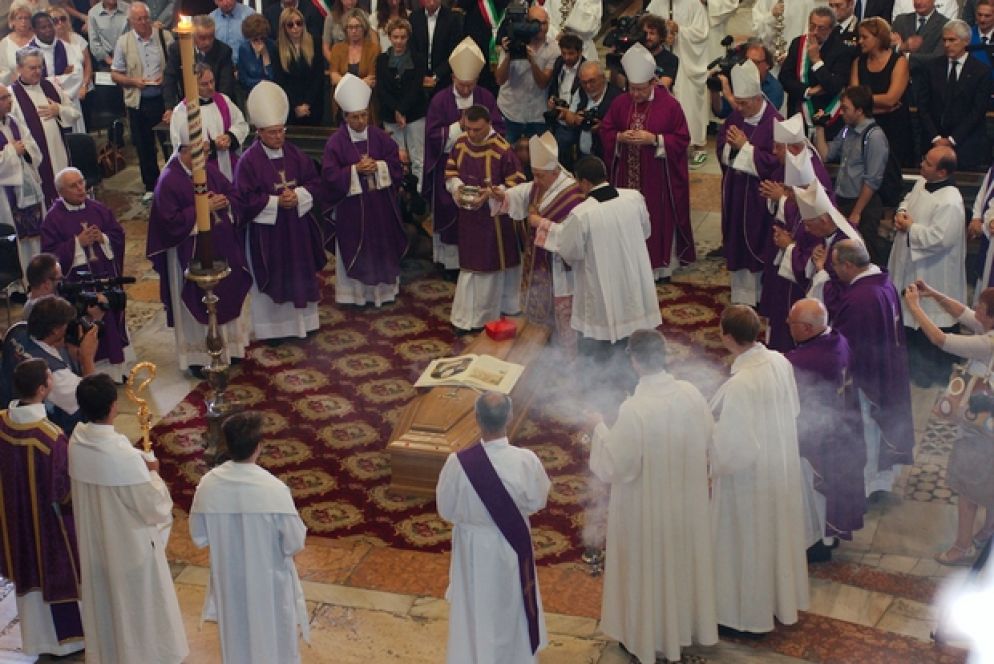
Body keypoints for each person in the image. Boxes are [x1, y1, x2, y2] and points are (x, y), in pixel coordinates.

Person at [587, 329, 718, 663]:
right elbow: (707, 437)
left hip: (647, 510)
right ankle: (679, 630)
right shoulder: (690, 394)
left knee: (647, 570)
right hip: (685, 504)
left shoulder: (635, 410)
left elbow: (617, 466)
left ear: (633, 361)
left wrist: (599, 428)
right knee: (678, 566)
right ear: (664, 356)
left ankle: (644, 639)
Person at [68, 373, 188, 663]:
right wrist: (153, 472)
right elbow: (154, 508)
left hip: (96, 546)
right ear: (113, 406)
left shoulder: (76, 442)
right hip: (129, 551)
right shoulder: (124, 457)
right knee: (137, 614)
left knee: (108, 610)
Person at [710, 304, 810, 634]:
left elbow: (734, 450)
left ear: (726, 337)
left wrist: (710, 457)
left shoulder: (741, 385)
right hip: (778, 463)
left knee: (746, 541)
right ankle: (778, 601)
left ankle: (743, 615)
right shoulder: (780, 361)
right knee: (774, 536)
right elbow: (794, 409)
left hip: (749, 479)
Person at [436, 391, 552, 663]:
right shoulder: (526, 461)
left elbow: (446, 509)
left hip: (472, 549)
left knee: (475, 609)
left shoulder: (457, 464)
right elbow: (538, 500)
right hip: (511, 546)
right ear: (510, 417)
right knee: (511, 607)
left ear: (476, 418)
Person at [190, 411, 309, 663]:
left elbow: (199, 535)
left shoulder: (208, 485)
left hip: (229, 578)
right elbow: (295, 542)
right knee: (274, 638)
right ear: (258, 447)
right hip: (269, 581)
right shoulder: (274, 489)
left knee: (236, 638)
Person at [147, 124, 252, 374]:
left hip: (222, 249)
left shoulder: (207, 170)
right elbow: (169, 223)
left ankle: (231, 349)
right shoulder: (169, 180)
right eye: (201, 152)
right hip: (188, 255)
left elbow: (232, 192)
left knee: (228, 292)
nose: (206, 157)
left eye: (206, 151)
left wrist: (224, 202)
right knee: (196, 303)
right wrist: (203, 209)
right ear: (183, 151)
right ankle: (198, 358)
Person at [529, 155, 662, 349]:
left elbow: (569, 250)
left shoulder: (583, 213)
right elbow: (645, 231)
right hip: (633, 275)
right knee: (635, 313)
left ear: (583, 182)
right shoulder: (634, 197)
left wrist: (540, 224)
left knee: (603, 337)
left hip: (602, 284)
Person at [904, 282, 994, 565]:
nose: (975, 308)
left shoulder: (987, 343)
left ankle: (962, 546)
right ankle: (987, 531)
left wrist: (916, 307)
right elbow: (963, 312)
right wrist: (934, 293)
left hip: (982, 428)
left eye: (981, 306)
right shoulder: (988, 330)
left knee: (967, 489)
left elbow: (942, 340)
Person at [0, 358, 84, 658]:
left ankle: (36, 640)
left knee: (27, 572)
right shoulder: (49, 437)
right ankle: (69, 642)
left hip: (15, 521)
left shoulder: (2, 422)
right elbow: (64, 493)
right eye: (50, 377)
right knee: (57, 572)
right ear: (42, 389)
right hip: (49, 527)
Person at [818, 239, 915, 496]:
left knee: (866, 428)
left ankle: (867, 484)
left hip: (867, 379)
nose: (834, 271)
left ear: (849, 265)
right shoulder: (883, 282)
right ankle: (880, 481)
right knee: (877, 426)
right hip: (886, 368)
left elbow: (846, 346)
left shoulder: (861, 298)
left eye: (835, 265)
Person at [234, 81, 327, 341]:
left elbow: (315, 182)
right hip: (268, 236)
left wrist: (297, 196)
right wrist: (276, 202)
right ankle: (272, 330)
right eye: (272, 133)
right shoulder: (248, 162)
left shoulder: (295, 155)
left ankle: (303, 324)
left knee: (299, 272)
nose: (278, 137)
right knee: (273, 275)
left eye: (281, 131)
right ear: (259, 131)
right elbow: (242, 200)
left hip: (296, 231)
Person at [601, 43, 694, 283]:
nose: (635, 94)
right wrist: (620, 138)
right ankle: (628, 264)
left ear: (653, 83)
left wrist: (655, 140)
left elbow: (683, 138)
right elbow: (606, 129)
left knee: (656, 218)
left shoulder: (670, 105)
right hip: (626, 176)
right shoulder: (621, 102)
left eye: (640, 89)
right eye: (631, 88)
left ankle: (659, 268)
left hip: (657, 178)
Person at [489, 132, 585, 353]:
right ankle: (543, 354)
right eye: (534, 174)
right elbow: (523, 193)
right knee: (539, 314)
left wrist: (539, 223)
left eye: (540, 176)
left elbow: (571, 237)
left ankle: (567, 358)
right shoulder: (541, 184)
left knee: (563, 314)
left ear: (555, 172)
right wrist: (502, 195)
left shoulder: (574, 195)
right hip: (539, 261)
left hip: (561, 268)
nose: (536, 181)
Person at [785, 299, 867, 552]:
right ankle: (830, 537)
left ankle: (818, 544)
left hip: (818, 440)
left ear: (808, 329)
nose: (788, 326)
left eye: (792, 323)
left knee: (814, 492)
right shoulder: (837, 340)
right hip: (843, 427)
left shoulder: (805, 360)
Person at [323, 73, 407, 307]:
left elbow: (396, 167)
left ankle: (383, 293)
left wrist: (378, 167)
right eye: (355, 117)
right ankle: (355, 296)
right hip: (352, 211)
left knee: (381, 245)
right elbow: (329, 177)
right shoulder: (335, 143)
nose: (360, 121)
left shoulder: (380, 137)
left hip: (380, 208)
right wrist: (354, 170)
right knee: (355, 248)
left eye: (363, 115)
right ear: (345, 116)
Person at [41, 166, 133, 381]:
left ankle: (118, 370)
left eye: (81, 182)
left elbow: (117, 234)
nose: (81, 188)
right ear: (60, 192)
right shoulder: (53, 220)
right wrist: (76, 244)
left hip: (104, 277)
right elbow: (49, 257)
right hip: (79, 286)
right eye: (74, 186)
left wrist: (103, 238)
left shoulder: (98, 209)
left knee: (111, 319)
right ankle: (94, 371)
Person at [422, 37, 504, 273]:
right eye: (462, 84)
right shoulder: (440, 100)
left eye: (470, 84)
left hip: (480, 170)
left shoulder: (486, 98)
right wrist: (459, 127)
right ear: (453, 78)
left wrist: (480, 133)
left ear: (476, 80)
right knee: (450, 211)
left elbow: (499, 129)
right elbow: (433, 136)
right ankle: (449, 264)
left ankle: (477, 258)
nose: (466, 89)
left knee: (477, 219)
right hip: (450, 167)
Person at [888, 145, 965, 386]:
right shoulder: (923, 183)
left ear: (942, 172)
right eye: (924, 159)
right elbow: (908, 200)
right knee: (909, 317)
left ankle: (932, 374)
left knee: (932, 317)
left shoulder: (951, 202)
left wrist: (911, 228)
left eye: (928, 164)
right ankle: (911, 368)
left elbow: (941, 239)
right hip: (910, 261)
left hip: (935, 271)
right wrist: (901, 213)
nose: (922, 165)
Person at [444, 103, 525, 331]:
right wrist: (457, 188)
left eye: (477, 130)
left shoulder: (502, 149)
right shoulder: (460, 144)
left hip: (494, 220)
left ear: (489, 124)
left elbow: (517, 182)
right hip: (469, 217)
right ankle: (464, 317)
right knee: (470, 265)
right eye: (468, 128)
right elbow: (450, 172)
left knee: (488, 266)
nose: (471, 134)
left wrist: (490, 194)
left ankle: (483, 318)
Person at [757, 120, 835, 351]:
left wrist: (788, 245)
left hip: (801, 284)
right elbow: (791, 216)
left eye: (791, 191)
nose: (788, 194)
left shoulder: (819, 212)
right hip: (785, 272)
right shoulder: (799, 199)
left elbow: (815, 257)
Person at [717, 59, 782, 306]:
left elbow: (776, 163)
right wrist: (731, 149)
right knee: (735, 238)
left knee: (758, 241)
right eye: (738, 102)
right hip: (736, 191)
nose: (739, 108)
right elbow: (722, 145)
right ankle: (741, 295)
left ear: (757, 99)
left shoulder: (775, 122)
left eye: (744, 103)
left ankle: (760, 297)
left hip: (760, 198)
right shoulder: (736, 116)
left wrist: (745, 148)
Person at [812, 84, 892, 265]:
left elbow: (872, 180)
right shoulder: (847, 130)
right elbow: (826, 155)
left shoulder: (874, 137)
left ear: (860, 110)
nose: (841, 113)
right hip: (843, 201)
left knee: (864, 256)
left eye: (846, 109)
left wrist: (856, 212)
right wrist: (820, 127)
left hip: (863, 206)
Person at [1, 297, 98, 431]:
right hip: (40, 428)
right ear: (56, 330)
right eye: (66, 325)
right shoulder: (53, 373)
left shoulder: (16, 330)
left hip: (8, 406)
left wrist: (61, 345)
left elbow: (36, 348)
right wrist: (87, 358)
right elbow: (91, 400)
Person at [110, 2, 172, 203]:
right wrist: (133, 81)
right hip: (139, 102)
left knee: (169, 144)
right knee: (145, 146)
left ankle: (173, 182)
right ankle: (151, 185)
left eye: (146, 18)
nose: (144, 22)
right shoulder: (123, 42)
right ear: (131, 21)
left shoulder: (164, 36)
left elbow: (175, 64)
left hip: (163, 100)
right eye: (139, 19)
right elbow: (116, 74)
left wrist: (166, 76)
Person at [917, 19, 992, 169]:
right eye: (944, 40)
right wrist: (937, 138)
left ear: (966, 41)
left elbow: (977, 111)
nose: (946, 45)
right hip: (933, 143)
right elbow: (923, 106)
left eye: (952, 40)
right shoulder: (931, 68)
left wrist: (952, 140)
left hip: (966, 145)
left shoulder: (981, 71)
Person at [10, 47, 78, 207]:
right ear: (19, 68)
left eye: (40, 67)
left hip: (58, 151)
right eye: (32, 68)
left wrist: (59, 110)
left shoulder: (50, 87)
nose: (38, 71)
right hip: (34, 159)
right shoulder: (11, 95)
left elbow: (74, 113)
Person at [647, 0, 710, 166]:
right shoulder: (655, 3)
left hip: (687, 64)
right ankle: (665, 144)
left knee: (688, 103)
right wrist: (661, 37)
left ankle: (694, 146)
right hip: (663, 62)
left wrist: (680, 30)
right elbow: (645, 28)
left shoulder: (694, 4)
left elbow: (702, 33)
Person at [849, 18, 913, 167]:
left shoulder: (899, 61)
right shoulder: (858, 62)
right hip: (865, 128)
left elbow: (891, 99)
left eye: (865, 37)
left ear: (878, 38)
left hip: (894, 129)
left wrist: (866, 104)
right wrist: (881, 106)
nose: (860, 41)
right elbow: (853, 99)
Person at [169, 63, 249, 182]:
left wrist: (229, 137)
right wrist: (211, 146)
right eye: (204, 84)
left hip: (227, 163)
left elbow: (241, 124)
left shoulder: (224, 100)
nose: (211, 87)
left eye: (212, 81)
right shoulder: (181, 111)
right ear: (192, 85)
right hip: (202, 171)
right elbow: (180, 147)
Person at [495, 5, 559, 142]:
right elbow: (499, 79)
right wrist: (508, 55)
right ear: (526, 23)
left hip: (537, 116)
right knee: (507, 157)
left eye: (544, 23)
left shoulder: (554, 48)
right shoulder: (513, 40)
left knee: (537, 158)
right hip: (510, 112)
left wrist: (532, 61)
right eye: (536, 23)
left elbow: (543, 83)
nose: (541, 27)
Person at [375, 17, 427, 185]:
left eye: (403, 37)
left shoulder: (418, 59)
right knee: (394, 157)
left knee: (418, 158)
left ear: (408, 37)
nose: (399, 41)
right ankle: (398, 193)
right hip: (390, 115)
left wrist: (402, 110)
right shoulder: (381, 60)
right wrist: (396, 111)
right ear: (389, 37)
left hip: (415, 114)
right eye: (395, 37)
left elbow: (416, 88)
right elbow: (381, 90)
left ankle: (417, 195)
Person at [0, 81, 44, 276]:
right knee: (15, 237)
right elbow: (14, 150)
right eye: (3, 98)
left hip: (26, 186)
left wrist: (24, 150)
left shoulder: (14, 121)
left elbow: (31, 145)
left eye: (8, 96)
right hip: (5, 194)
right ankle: (18, 282)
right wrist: (12, 151)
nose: (9, 100)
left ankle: (38, 272)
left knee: (34, 236)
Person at [779, 8, 848, 130]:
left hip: (826, 115)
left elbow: (835, 86)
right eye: (812, 26)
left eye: (821, 28)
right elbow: (784, 77)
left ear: (831, 29)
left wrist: (816, 61)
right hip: (798, 113)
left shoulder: (842, 50)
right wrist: (808, 91)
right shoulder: (798, 43)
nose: (815, 32)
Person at [163, 15, 237, 110]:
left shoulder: (223, 51)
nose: (208, 42)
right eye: (202, 38)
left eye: (211, 37)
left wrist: (219, 107)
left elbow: (226, 85)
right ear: (193, 35)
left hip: (215, 103)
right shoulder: (178, 49)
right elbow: (169, 78)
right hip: (188, 104)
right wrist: (169, 107)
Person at [32, 9, 87, 134]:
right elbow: (30, 80)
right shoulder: (28, 53)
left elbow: (77, 74)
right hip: (43, 106)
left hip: (68, 102)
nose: (48, 30)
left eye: (50, 25)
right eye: (43, 27)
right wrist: (61, 77)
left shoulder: (65, 47)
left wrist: (48, 82)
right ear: (35, 30)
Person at [273, 6, 326, 126]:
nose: (295, 28)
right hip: (290, 107)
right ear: (284, 28)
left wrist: (307, 104)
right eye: (290, 25)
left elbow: (318, 77)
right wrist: (296, 106)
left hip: (313, 105)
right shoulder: (277, 49)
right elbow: (280, 81)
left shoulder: (315, 43)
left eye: (299, 23)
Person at [544, 33, 585, 171]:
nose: (567, 57)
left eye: (571, 53)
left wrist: (571, 112)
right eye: (564, 53)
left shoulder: (585, 69)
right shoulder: (559, 63)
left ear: (580, 52)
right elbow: (554, 86)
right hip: (558, 118)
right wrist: (552, 100)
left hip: (575, 119)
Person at [328, 8, 379, 121]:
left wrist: (347, 85)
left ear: (364, 28)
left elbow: (371, 79)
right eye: (350, 27)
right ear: (345, 29)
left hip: (366, 104)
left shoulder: (373, 49)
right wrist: (358, 84)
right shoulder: (337, 48)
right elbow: (334, 76)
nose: (354, 31)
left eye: (357, 27)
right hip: (342, 104)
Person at [50, 5, 91, 133]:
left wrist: (84, 85)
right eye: (55, 21)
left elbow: (88, 64)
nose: (60, 23)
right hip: (65, 93)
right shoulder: (51, 46)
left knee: (87, 122)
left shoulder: (77, 38)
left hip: (85, 87)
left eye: (62, 19)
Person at [408, 0, 462, 97]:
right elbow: (412, 49)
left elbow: (455, 52)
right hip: (419, 78)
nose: (432, 2)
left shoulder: (453, 18)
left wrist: (437, 76)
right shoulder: (414, 17)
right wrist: (421, 75)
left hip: (444, 78)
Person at [570, 60, 620, 162]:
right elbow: (569, 116)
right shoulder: (580, 92)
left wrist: (603, 127)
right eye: (584, 82)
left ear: (603, 78)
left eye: (592, 81)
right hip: (582, 155)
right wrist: (575, 118)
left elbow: (623, 128)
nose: (588, 86)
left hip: (606, 156)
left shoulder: (617, 98)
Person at [237, 13, 275, 94]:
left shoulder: (272, 46)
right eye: (255, 39)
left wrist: (265, 55)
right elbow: (243, 79)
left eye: (262, 38)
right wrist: (261, 82)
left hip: (272, 91)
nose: (260, 42)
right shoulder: (244, 49)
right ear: (249, 38)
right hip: (252, 92)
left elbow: (273, 77)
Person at [0, 2, 36, 85]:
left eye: (26, 18)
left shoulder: (38, 38)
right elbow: (3, 70)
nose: (23, 22)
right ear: (12, 21)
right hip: (14, 86)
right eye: (19, 18)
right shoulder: (4, 44)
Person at [87, 0, 130, 71]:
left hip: (128, 58)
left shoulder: (128, 9)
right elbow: (94, 43)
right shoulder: (93, 13)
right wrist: (109, 60)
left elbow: (134, 35)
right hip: (105, 61)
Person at [210, 0, 255, 67]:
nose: (225, 3)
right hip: (220, 69)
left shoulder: (250, 15)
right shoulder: (211, 19)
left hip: (247, 68)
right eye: (220, 0)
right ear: (215, 1)